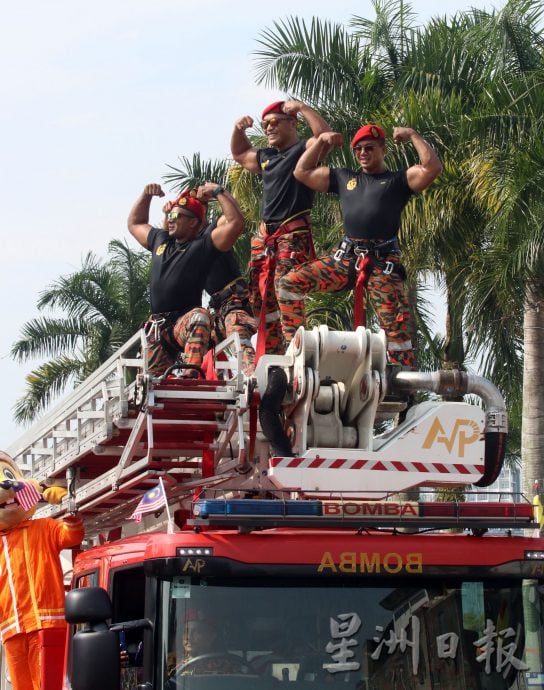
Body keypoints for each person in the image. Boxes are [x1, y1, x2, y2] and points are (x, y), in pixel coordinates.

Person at [278, 123, 442, 368]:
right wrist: (321, 141)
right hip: (345, 260)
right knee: (289, 283)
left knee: (395, 328)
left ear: (382, 149)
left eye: (369, 148)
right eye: (358, 150)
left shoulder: (397, 180)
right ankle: (296, 351)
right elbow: (302, 172)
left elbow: (432, 168)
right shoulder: (345, 178)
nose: (363, 153)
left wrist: (412, 135)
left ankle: (401, 385)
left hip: (382, 264)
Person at [230, 100, 331, 357]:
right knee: (262, 296)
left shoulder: (302, 149)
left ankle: (295, 351)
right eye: (265, 124)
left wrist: (303, 108)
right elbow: (241, 155)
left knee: (285, 286)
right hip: (266, 237)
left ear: (292, 124)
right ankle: (272, 353)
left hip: (291, 232)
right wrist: (238, 130)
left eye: (275, 122)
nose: (269, 128)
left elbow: (323, 137)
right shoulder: (267, 157)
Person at [127, 182, 244, 376]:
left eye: (176, 216)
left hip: (183, 323)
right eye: (170, 214)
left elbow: (235, 223)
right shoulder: (160, 239)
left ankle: (190, 375)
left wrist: (218, 192)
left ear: (193, 222)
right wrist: (145, 195)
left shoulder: (203, 245)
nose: (170, 219)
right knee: (150, 388)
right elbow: (135, 224)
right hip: (158, 329)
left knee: (200, 316)